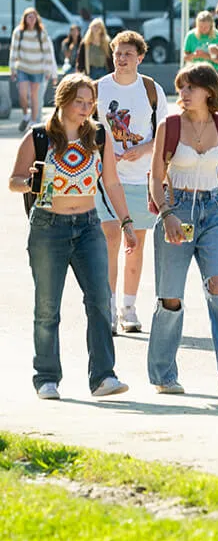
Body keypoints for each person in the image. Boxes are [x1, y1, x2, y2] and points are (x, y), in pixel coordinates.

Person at [9, 73, 137, 400]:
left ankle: (103, 377)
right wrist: (30, 182)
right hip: (48, 227)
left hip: (88, 226)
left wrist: (126, 222)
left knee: (99, 299)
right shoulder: (39, 136)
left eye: (89, 102)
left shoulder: (99, 136)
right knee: (47, 306)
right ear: (63, 101)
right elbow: (15, 180)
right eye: (79, 102)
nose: (85, 108)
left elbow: (111, 183)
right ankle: (47, 378)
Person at [147, 64, 218, 395]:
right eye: (181, 88)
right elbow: (155, 177)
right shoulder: (170, 125)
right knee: (171, 298)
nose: (184, 94)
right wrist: (166, 214)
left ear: (209, 91)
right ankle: (164, 375)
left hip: (213, 213)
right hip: (177, 211)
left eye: (190, 87)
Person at [95, 31, 168, 335]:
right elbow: (86, 128)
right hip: (104, 179)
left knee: (133, 245)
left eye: (128, 53)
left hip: (141, 178)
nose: (121, 58)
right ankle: (108, 308)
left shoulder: (151, 90)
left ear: (140, 57)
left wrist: (142, 149)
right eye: (117, 53)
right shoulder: (99, 88)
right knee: (111, 238)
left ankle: (128, 307)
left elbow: (164, 135)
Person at [10, 7, 57, 132]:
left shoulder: (41, 33)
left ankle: (33, 121)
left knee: (35, 97)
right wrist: (12, 69)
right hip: (23, 68)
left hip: (38, 69)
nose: (31, 19)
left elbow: (47, 53)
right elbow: (13, 51)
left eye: (33, 17)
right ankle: (26, 115)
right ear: (25, 18)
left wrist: (48, 70)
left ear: (37, 19)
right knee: (22, 94)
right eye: (29, 16)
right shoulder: (18, 32)